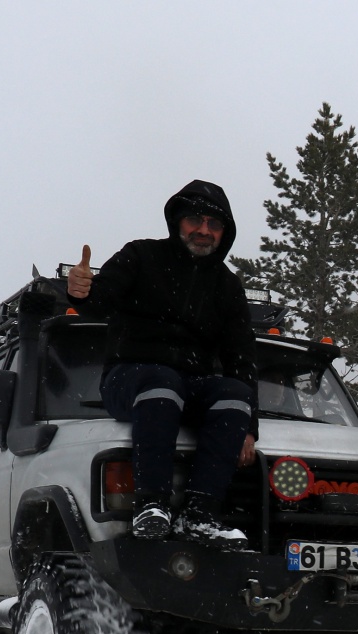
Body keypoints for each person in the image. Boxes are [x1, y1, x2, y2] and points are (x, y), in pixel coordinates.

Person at [66, 180, 257, 550]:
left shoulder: (227, 286)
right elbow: (99, 301)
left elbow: (242, 357)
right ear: (177, 221)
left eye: (214, 225)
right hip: (129, 378)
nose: (203, 231)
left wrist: (250, 427)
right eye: (195, 221)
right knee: (162, 382)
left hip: (191, 385)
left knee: (235, 393)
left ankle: (200, 515)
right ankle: (151, 505)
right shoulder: (141, 256)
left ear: (224, 233)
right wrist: (81, 290)